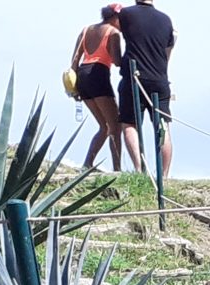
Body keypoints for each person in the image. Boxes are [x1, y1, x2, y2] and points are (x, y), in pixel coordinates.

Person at [114, 0, 175, 178]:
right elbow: (169, 48)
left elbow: (113, 31)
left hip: (134, 78)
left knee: (130, 124)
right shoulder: (166, 19)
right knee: (162, 126)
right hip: (160, 79)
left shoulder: (127, 14)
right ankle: (164, 177)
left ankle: (140, 171)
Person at [72, 6, 125, 171]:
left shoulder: (86, 30)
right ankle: (117, 169)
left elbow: (75, 60)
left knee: (104, 126)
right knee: (115, 126)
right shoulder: (113, 33)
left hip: (82, 76)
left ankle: (87, 164)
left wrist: (74, 87)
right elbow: (117, 61)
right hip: (98, 74)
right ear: (115, 17)